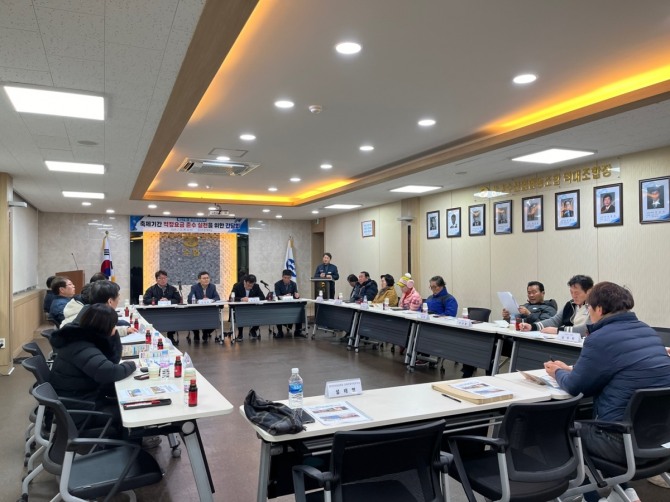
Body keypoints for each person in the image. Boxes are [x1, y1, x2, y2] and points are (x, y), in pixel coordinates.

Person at [545, 282, 670, 502]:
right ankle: (625, 493)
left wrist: (557, 372)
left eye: (589, 309)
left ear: (599, 309)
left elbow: (574, 386)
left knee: (556, 428)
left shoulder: (600, 338)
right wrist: (572, 371)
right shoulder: (648, 332)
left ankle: (586, 496)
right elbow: (624, 370)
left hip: (620, 443)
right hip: (658, 439)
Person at [49, 303, 136, 425]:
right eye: (113, 325)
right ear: (104, 327)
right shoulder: (82, 347)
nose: (115, 328)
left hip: (79, 400)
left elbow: (111, 361)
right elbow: (110, 372)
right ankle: (126, 437)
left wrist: (112, 336)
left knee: (124, 401)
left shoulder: (79, 338)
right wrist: (132, 365)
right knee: (131, 412)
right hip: (79, 412)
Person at [519, 275, 593, 336]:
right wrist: (532, 326)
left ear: (588, 291)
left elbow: (586, 329)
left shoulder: (594, 306)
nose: (573, 296)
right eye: (571, 292)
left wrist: (558, 331)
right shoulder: (570, 304)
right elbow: (555, 321)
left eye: (576, 293)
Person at [143, 270, 182, 344]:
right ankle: (155, 337)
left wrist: (168, 301)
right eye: (160, 278)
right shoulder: (151, 289)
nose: (163, 280)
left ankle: (170, 336)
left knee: (172, 320)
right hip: (156, 312)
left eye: (164, 278)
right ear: (156, 279)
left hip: (170, 311)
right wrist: (158, 301)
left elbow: (178, 299)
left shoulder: (172, 289)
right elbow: (146, 300)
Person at [187, 271, 221, 343]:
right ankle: (196, 334)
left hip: (209, 311)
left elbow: (217, 297)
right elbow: (189, 299)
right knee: (193, 319)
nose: (206, 280)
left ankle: (206, 332)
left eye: (207, 278)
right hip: (197, 311)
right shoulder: (194, 287)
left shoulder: (212, 286)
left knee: (217, 321)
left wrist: (211, 300)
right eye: (204, 278)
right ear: (199, 280)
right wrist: (200, 301)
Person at [231, 274, 265, 341]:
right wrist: (241, 299)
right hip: (240, 308)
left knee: (260, 313)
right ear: (245, 282)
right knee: (240, 314)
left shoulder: (256, 286)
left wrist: (250, 299)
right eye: (249, 285)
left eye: (252, 285)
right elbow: (231, 298)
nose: (250, 287)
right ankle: (240, 333)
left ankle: (253, 330)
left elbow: (262, 297)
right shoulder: (237, 286)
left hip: (252, 308)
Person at [273, 269, 304, 338]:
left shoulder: (293, 284)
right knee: (277, 313)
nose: (287, 279)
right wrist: (284, 296)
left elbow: (295, 294)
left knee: (300, 311)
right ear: (282, 277)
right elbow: (277, 295)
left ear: (290, 278)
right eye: (285, 278)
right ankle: (280, 332)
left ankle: (298, 332)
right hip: (281, 305)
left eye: (288, 278)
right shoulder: (277, 284)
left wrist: (297, 295)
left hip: (291, 305)